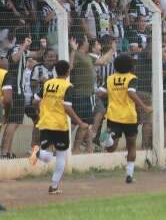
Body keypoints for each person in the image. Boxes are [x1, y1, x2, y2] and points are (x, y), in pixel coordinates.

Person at [29, 60, 89, 194]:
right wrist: (80, 123)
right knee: (60, 156)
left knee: (48, 156)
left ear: (56, 71)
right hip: (60, 125)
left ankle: (54, 187)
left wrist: (39, 112)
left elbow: (35, 101)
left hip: (45, 123)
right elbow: (67, 107)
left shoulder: (48, 84)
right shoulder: (68, 86)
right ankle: (52, 182)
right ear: (68, 71)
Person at [98, 54, 153, 183]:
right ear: (130, 66)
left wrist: (112, 93)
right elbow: (130, 92)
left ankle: (108, 138)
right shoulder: (132, 78)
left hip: (113, 115)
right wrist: (145, 107)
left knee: (111, 149)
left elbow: (100, 93)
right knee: (131, 145)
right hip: (129, 116)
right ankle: (129, 174)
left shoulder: (110, 78)